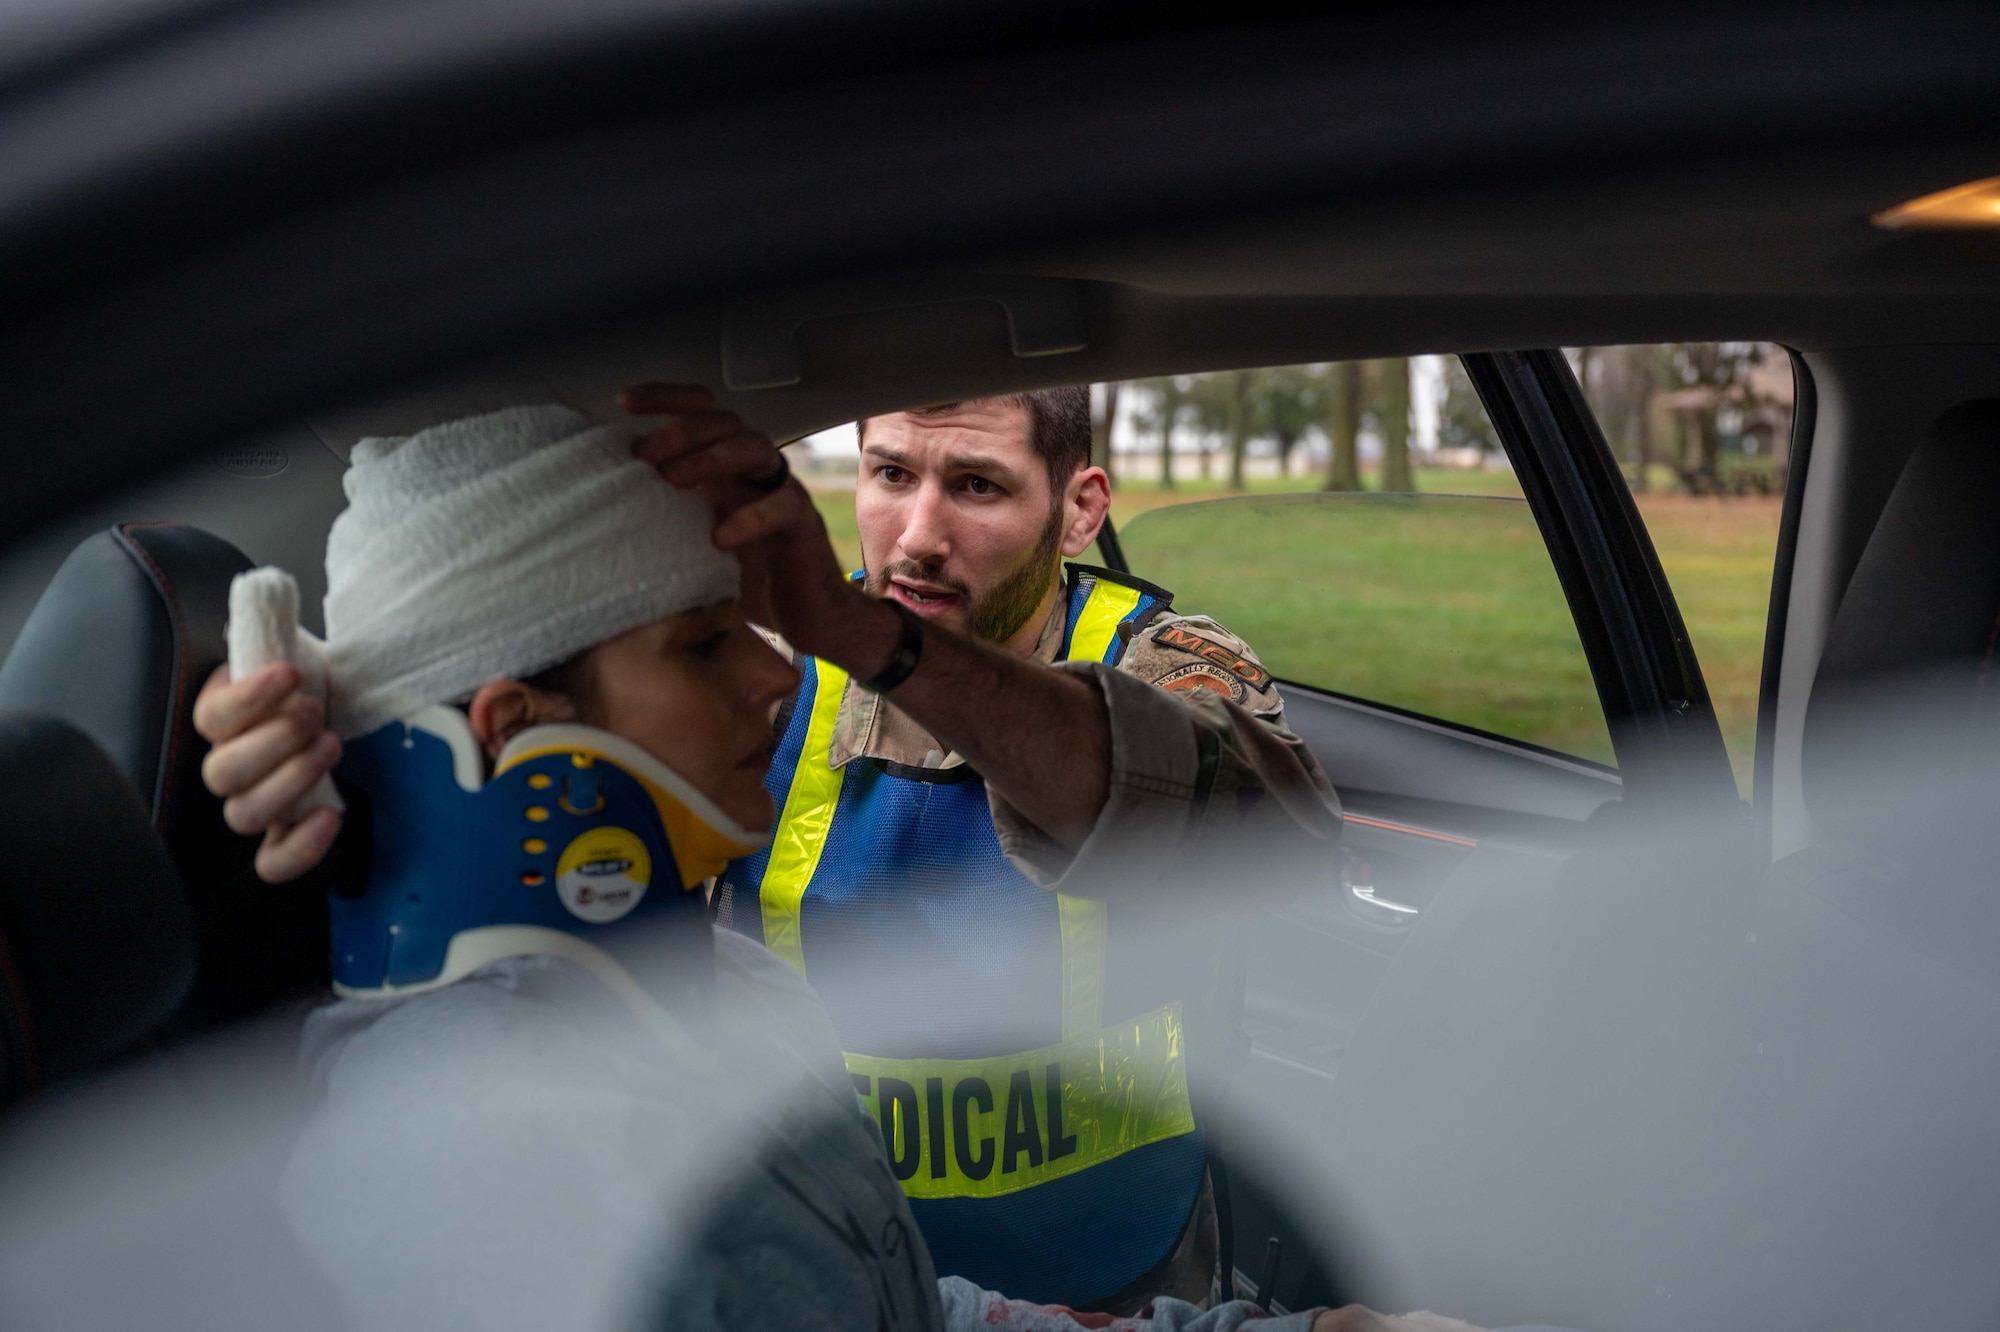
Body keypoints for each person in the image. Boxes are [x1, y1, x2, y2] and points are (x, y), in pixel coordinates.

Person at [237, 401, 1457, 1332]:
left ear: (1080, 506)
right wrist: (356, 785)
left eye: (975, 485)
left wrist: (869, 638)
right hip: (855, 1255)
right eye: (887, 476)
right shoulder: (761, 698)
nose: (916, 535)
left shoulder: (1165, 656)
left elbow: (1270, 844)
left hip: (1114, 1262)